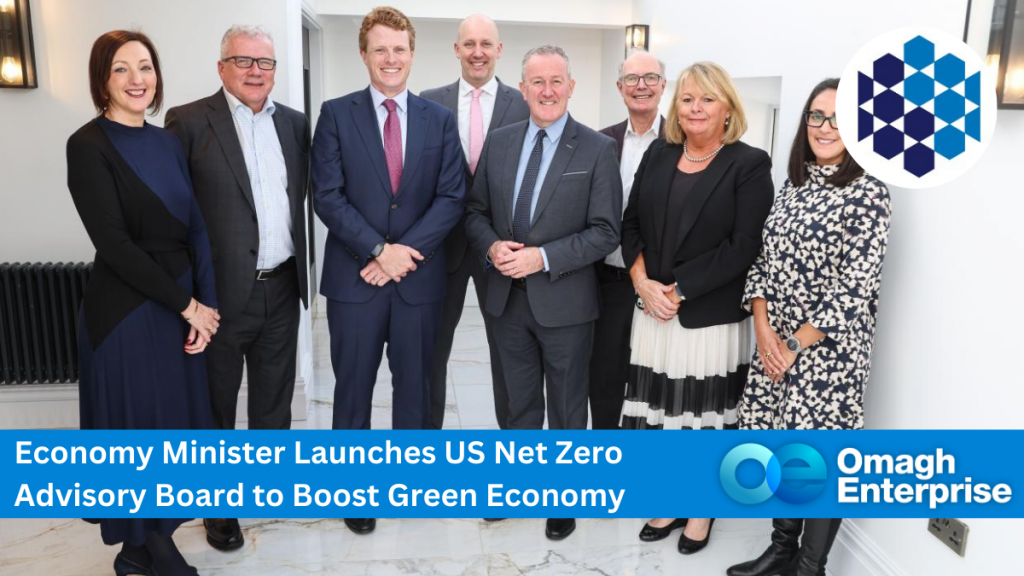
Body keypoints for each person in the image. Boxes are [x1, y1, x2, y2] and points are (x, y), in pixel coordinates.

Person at [67, 30, 220, 576]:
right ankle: (157, 553)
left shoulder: (167, 141)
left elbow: (198, 227)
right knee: (138, 436)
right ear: (102, 80)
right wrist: (188, 306)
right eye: (121, 69)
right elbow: (115, 246)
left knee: (176, 435)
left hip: (180, 306)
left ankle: (137, 554)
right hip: (127, 312)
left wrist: (208, 307)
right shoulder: (87, 145)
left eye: (146, 67)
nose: (137, 80)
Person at [311, 6, 465, 535]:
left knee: (414, 386)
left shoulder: (438, 120)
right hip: (355, 279)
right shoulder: (335, 114)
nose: (390, 58)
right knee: (353, 385)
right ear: (364, 54)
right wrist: (378, 250)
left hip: (419, 281)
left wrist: (402, 255)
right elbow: (326, 196)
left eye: (399, 49)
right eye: (380, 49)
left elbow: (451, 198)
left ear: (412, 54)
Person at [728, 78, 891, 576]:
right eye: (817, 116)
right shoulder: (793, 184)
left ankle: (809, 566)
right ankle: (782, 549)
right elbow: (764, 261)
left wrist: (796, 342)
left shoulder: (870, 193)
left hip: (828, 355)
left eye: (839, 118)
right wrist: (762, 328)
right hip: (776, 343)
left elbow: (856, 288)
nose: (825, 127)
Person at [465, 45, 621, 541]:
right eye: (537, 82)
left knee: (569, 408)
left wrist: (541, 257)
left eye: (557, 81)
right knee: (516, 403)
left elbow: (605, 231)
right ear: (523, 87)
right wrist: (492, 248)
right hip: (505, 300)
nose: (547, 90)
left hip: (566, 303)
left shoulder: (596, 148)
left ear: (571, 87)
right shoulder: (501, 140)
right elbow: (474, 212)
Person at [165, 24, 310, 552]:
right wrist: (189, 298)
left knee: (274, 404)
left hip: (283, 286)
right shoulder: (187, 121)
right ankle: (218, 509)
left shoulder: (295, 126)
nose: (255, 71)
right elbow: (174, 216)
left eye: (265, 63)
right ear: (222, 66)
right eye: (243, 61)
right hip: (218, 296)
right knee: (215, 407)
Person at [619, 62, 773, 553]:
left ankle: (703, 507)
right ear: (675, 107)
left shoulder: (748, 163)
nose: (696, 109)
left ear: (727, 106)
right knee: (664, 416)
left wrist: (677, 291)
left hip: (706, 316)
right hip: (653, 311)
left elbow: (743, 246)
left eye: (707, 99)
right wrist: (643, 282)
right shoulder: (659, 155)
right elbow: (631, 225)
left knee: (703, 420)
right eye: (687, 99)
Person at [420, 14, 530, 430]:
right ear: (456, 49)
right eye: (469, 44)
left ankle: (513, 441)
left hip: (501, 250)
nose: (478, 52)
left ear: (499, 50)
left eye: (486, 43)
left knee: (507, 352)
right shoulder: (428, 103)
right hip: (440, 249)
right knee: (432, 353)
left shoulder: (523, 104)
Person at [591, 47, 667, 430]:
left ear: (663, 85)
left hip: (660, 289)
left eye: (650, 78)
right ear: (619, 87)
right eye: (632, 79)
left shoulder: (681, 143)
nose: (642, 86)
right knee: (604, 383)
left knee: (652, 385)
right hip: (607, 283)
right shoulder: (599, 143)